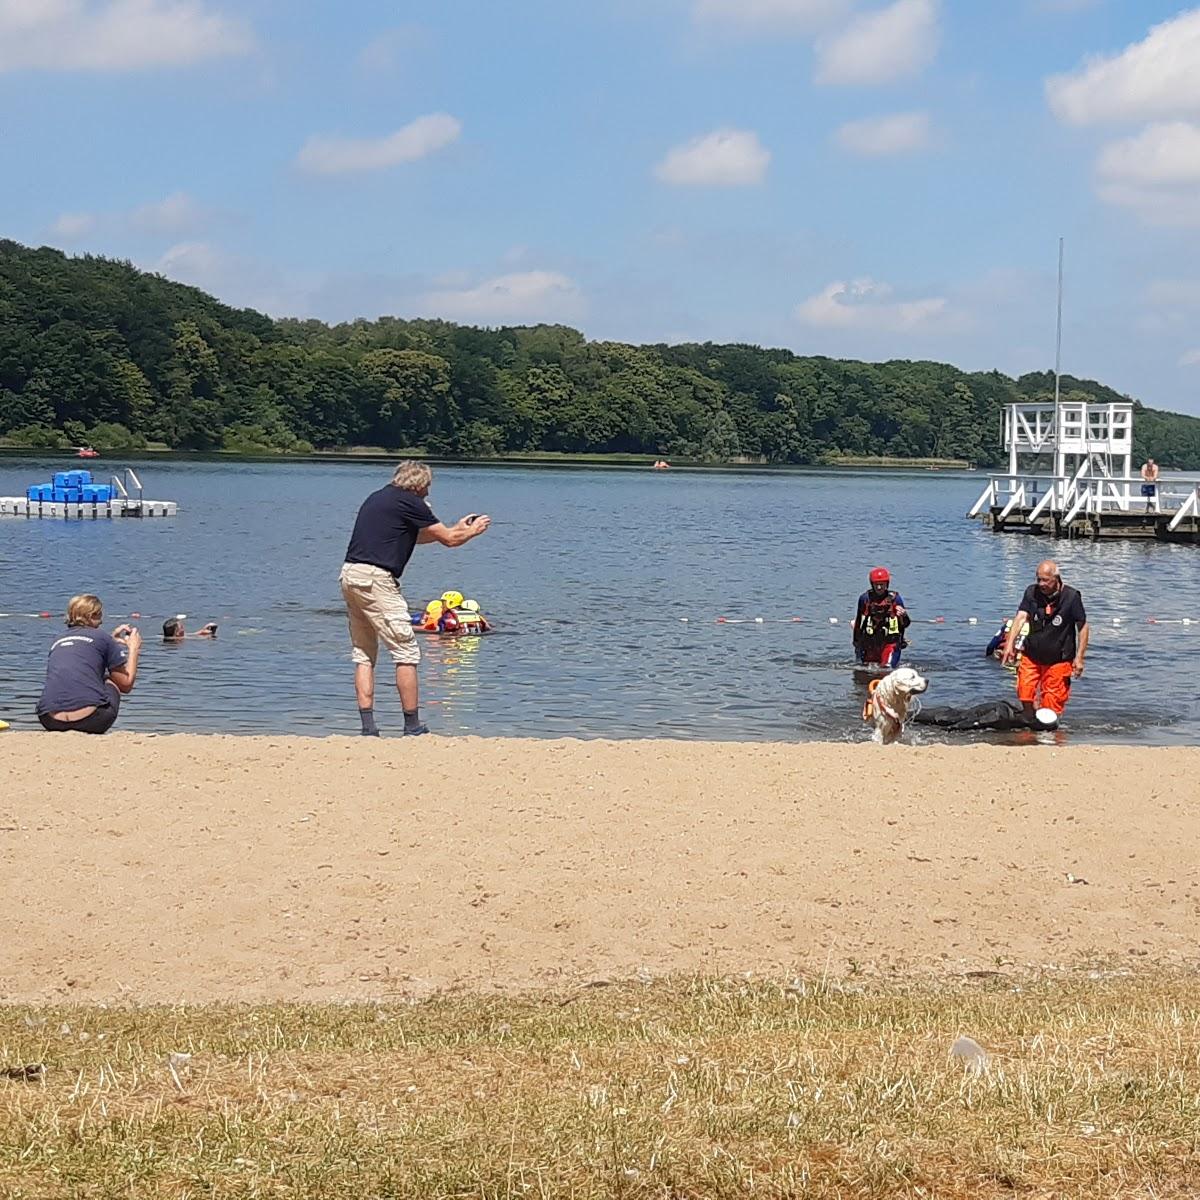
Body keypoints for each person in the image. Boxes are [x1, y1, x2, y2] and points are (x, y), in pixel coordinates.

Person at [340, 460, 490, 736]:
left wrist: (455, 528)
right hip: (377, 580)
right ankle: (412, 726)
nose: (428, 493)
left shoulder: (379, 498)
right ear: (420, 485)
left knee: (363, 653)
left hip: (350, 574)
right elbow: (450, 540)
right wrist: (472, 531)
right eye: (428, 487)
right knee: (406, 651)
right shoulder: (412, 502)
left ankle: (368, 728)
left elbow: (414, 536)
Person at [36, 594, 141, 734]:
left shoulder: (58, 640)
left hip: (49, 720)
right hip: (90, 721)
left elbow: (83, 656)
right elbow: (126, 684)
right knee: (109, 680)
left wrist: (111, 643)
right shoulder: (103, 638)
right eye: (100, 614)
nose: (102, 621)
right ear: (93, 615)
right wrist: (134, 648)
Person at [1001, 559, 1088, 720]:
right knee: (1025, 692)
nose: (1041, 584)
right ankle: (1029, 726)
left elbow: (1082, 627)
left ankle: (1049, 734)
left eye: (1045, 580)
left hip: (1059, 658)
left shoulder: (1071, 597)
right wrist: (1009, 644)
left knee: (1051, 701)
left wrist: (1080, 658)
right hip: (1032, 653)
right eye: (1038, 579)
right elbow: (1020, 617)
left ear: (1056, 579)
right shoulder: (1031, 592)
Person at [852, 567, 911, 668]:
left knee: (887, 669)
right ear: (872, 584)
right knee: (864, 669)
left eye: (882, 584)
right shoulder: (864, 599)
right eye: (876, 585)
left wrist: (904, 615)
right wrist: (856, 642)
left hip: (890, 642)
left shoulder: (896, 599)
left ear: (887, 584)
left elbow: (906, 624)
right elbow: (859, 622)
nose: (879, 588)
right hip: (869, 642)